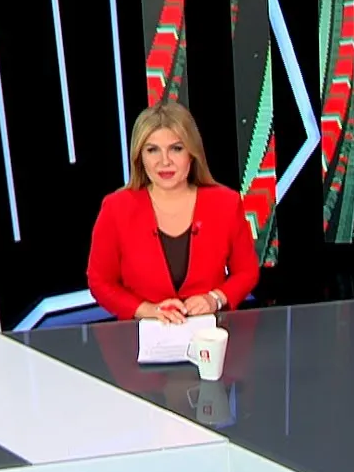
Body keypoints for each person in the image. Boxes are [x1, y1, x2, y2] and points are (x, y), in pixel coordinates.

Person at [87, 101, 260, 322]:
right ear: (139, 156)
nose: (164, 161)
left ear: (192, 153)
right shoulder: (116, 208)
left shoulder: (226, 202)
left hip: (210, 332)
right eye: (152, 150)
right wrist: (147, 310)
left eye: (176, 149)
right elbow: (100, 282)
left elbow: (247, 272)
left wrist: (214, 299)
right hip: (143, 333)